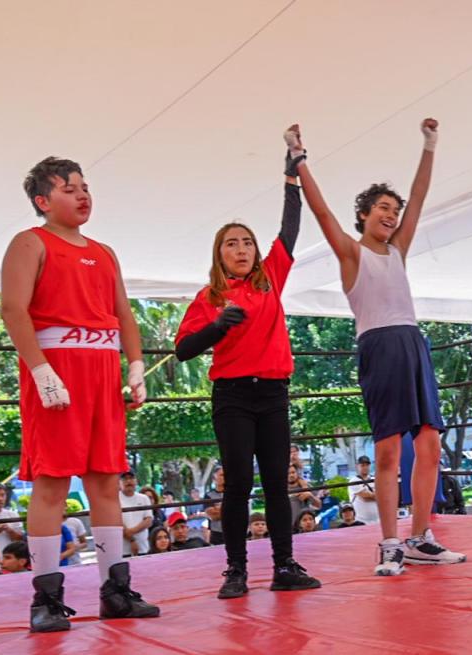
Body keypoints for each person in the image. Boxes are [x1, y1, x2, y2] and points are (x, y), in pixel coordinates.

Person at [293, 119, 465, 575]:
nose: (391, 215)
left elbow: (420, 196)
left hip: (413, 342)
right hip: (380, 346)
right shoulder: (352, 253)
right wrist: (299, 159)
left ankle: (420, 536)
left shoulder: (399, 249)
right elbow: (322, 213)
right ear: (364, 214)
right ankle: (389, 543)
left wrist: (430, 145)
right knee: (388, 451)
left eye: (395, 210)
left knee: (430, 445)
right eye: (382, 208)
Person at [1, 156, 158, 631]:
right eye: (69, 189)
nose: (82, 194)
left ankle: (116, 591)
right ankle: (46, 600)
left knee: (106, 480)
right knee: (51, 481)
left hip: (102, 371)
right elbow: (13, 309)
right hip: (58, 368)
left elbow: (123, 314)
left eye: (84, 186)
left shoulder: (105, 252)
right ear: (43, 200)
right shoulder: (30, 242)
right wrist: (41, 371)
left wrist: (135, 366)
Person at [174, 141, 319, 600]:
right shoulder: (210, 297)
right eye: (231, 243)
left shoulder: (271, 277)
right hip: (233, 395)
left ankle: (284, 566)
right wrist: (217, 327)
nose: (241, 249)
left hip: (273, 393)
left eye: (247, 242)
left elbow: (290, 229)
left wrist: (291, 176)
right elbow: (183, 350)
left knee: (277, 483)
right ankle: (235, 570)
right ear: (219, 254)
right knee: (237, 484)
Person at [118, 471, 153, 558]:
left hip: (143, 548)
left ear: (136, 481)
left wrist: (130, 532)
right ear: (119, 482)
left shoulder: (144, 498)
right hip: (122, 550)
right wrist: (132, 540)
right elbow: (116, 522)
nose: (128, 481)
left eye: (131, 478)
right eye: (125, 479)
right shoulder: (115, 499)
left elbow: (148, 520)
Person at [349, 455, 379, 524]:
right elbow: (365, 497)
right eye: (362, 465)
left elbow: (383, 495)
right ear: (357, 466)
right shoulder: (353, 481)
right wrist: (376, 495)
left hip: (377, 520)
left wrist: (374, 495)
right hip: (361, 521)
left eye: (367, 465)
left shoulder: (374, 479)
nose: (365, 467)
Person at [205, 467, 226, 546]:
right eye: (222, 475)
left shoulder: (234, 493)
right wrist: (229, 508)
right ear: (214, 478)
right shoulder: (208, 495)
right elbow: (213, 516)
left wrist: (219, 508)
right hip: (217, 535)